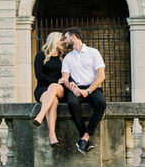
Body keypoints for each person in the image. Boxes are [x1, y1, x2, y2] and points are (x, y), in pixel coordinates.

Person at [59, 27, 107, 155]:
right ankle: (85, 139)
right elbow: (64, 78)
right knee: (72, 103)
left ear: (73, 37)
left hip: (93, 88)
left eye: (66, 38)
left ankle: (85, 137)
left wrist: (88, 91)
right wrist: (72, 87)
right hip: (76, 90)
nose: (64, 41)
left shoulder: (93, 52)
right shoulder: (68, 57)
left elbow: (101, 76)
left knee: (101, 103)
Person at [32, 31, 66, 147]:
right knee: (53, 101)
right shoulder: (41, 55)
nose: (63, 42)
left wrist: (58, 83)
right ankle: (52, 135)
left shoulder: (64, 57)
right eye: (61, 40)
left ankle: (40, 115)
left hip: (59, 88)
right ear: (54, 40)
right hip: (42, 89)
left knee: (53, 87)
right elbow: (39, 75)